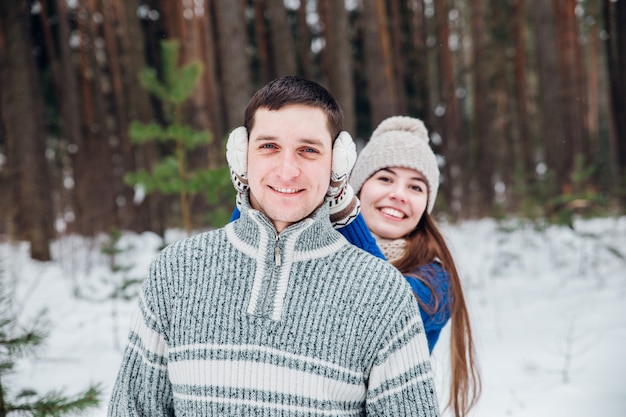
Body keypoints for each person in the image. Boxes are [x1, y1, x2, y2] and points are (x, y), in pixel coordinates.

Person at [108, 76, 440, 416]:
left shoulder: (383, 292)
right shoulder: (175, 271)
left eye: (308, 150)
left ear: (337, 162)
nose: (287, 170)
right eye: (269, 146)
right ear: (241, 155)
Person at [341, 116, 481, 417]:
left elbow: (385, 303)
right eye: (385, 179)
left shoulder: (436, 282)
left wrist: (347, 219)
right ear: (358, 187)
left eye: (416, 187)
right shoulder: (320, 250)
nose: (399, 195)